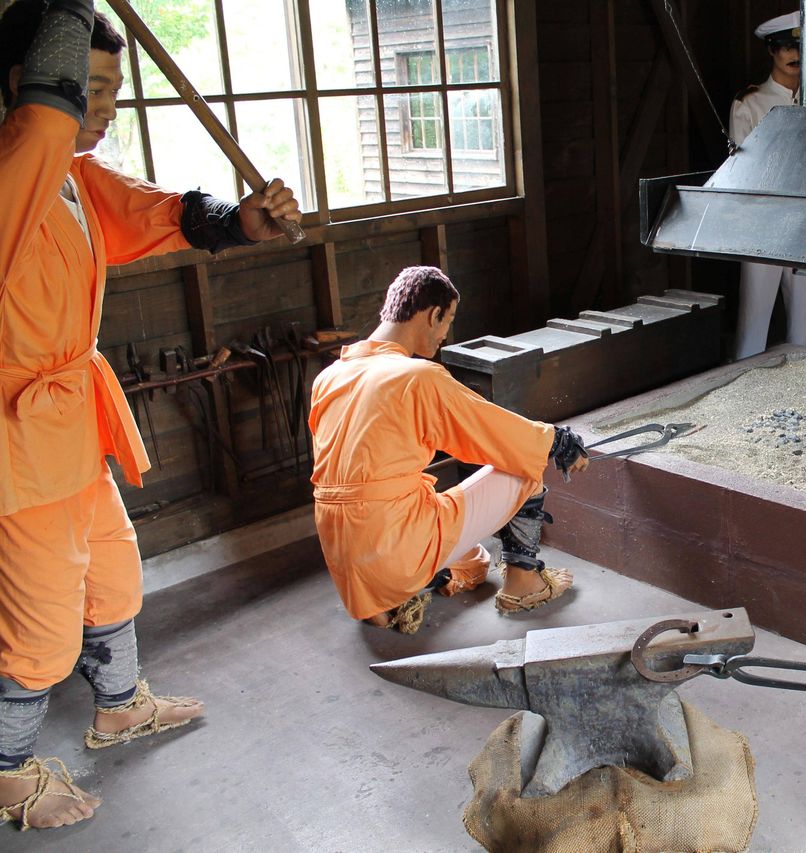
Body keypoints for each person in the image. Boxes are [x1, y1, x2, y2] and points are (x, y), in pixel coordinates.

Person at [0, 0, 301, 830]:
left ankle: (120, 703)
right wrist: (66, 7)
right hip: (18, 439)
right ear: (29, 86)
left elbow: (149, 210)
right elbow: (39, 127)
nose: (106, 109)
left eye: (113, 90)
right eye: (89, 91)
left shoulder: (70, 175)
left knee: (112, 566)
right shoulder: (16, 172)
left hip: (70, 423)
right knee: (40, 617)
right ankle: (7, 773)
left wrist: (241, 222)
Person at [308, 265, 591, 633]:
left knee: (474, 562)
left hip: (347, 561)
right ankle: (524, 584)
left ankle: (391, 595)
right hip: (394, 543)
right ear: (433, 314)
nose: (445, 334)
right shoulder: (416, 378)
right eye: (448, 320)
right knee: (524, 465)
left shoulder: (328, 377)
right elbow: (498, 435)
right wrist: (557, 441)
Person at [729, 10, 806, 360]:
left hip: (805, 223)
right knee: (754, 320)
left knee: (805, 324)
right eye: (785, 47)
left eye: (800, 46)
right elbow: (742, 170)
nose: (794, 54)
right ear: (771, 50)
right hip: (761, 224)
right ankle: (743, 380)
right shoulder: (750, 103)